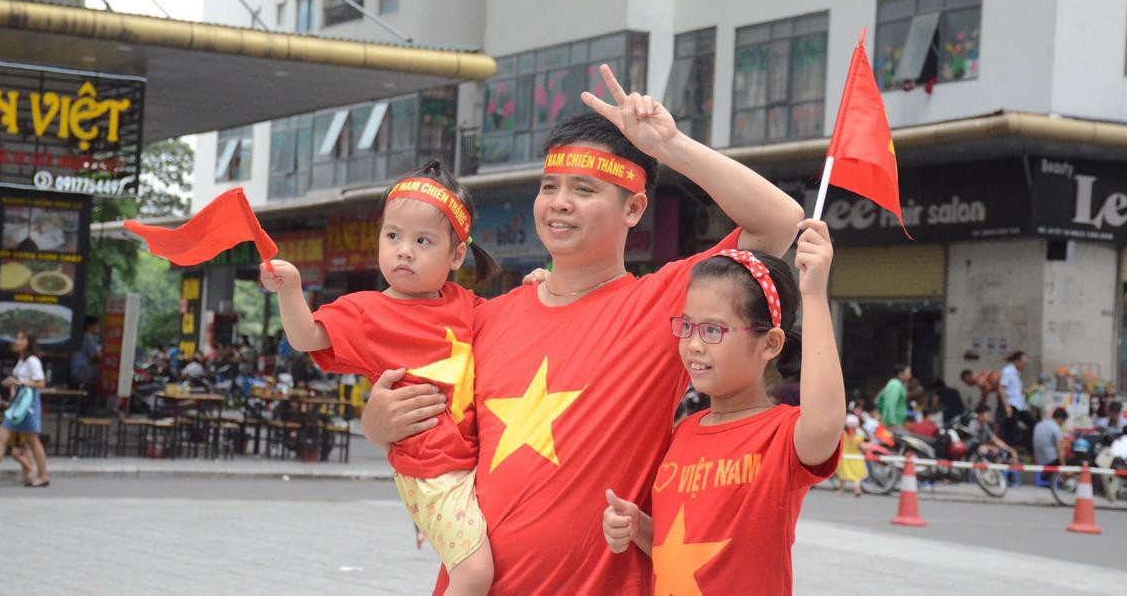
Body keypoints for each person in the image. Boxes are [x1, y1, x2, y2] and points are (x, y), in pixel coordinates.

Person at [359, 66, 804, 595]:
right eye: (550, 186)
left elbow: (779, 222)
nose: (560, 202)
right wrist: (377, 424)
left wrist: (671, 146)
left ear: (634, 208)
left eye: (584, 189)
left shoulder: (661, 305)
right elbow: (438, 437)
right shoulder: (482, 318)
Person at [262, 161, 505, 595]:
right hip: (431, 471)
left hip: (473, 464)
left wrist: (540, 280)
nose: (404, 250)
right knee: (474, 573)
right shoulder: (367, 311)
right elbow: (304, 337)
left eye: (422, 240)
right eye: (392, 235)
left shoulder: (465, 304)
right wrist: (290, 288)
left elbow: (519, 321)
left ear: (456, 256)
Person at [601, 223, 842, 593]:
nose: (694, 345)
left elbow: (826, 424)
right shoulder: (681, 433)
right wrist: (638, 527)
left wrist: (814, 295)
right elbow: (679, 550)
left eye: (713, 331)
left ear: (770, 343)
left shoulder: (781, 437)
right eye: (687, 326)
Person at [0, 330, 50, 487]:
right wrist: (12, 389)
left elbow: (40, 383)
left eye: (22, 339)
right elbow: (18, 381)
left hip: (28, 405)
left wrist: (20, 384)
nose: (17, 341)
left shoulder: (32, 360)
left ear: (29, 342)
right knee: (2, 438)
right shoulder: (21, 360)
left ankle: (43, 475)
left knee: (33, 440)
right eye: (17, 338)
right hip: (18, 404)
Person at [998, 350, 1032, 448]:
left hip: (1020, 405)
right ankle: (1009, 451)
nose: (1024, 366)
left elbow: (1014, 390)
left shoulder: (1017, 373)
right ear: (1017, 361)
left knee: (1032, 424)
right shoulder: (1008, 371)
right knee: (1010, 430)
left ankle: (1025, 447)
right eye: (1023, 363)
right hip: (1012, 404)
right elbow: (1001, 388)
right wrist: (1007, 406)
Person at [837, 414, 867, 497]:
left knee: (843, 474)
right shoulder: (860, 432)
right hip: (856, 456)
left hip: (844, 456)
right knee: (857, 475)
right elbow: (862, 445)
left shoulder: (842, 432)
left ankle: (841, 490)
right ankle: (857, 489)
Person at [69, 315, 101, 393]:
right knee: (105, 372)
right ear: (89, 327)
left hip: (78, 370)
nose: (99, 328)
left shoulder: (82, 336)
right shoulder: (87, 336)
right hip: (80, 370)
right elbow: (97, 355)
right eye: (97, 325)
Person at [876, 364, 911, 429]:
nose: (910, 376)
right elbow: (890, 404)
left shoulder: (894, 384)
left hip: (894, 422)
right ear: (901, 374)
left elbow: (878, 400)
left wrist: (883, 414)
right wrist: (892, 422)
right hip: (893, 424)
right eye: (908, 373)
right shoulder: (895, 385)